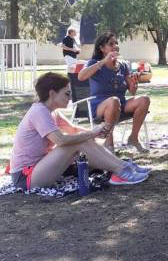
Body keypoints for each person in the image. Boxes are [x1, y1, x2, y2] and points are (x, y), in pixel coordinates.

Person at [9, 72, 149, 191]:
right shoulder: (39, 111)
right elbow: (61, 140)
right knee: (77, 141)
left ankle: (122, 166)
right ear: (52, 93)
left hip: (40, 168)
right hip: (25, 177)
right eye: (67, 93)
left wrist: (96, 133)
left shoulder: (52, 112)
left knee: (82, 138)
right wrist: (92, 133)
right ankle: (121, 171)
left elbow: (74, 129)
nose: (70, 98)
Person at [78, 32, 150, 153]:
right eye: (111, 44)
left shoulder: (123, 65)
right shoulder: (94, 63)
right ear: (102, 48)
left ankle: (133, 138)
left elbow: (132, 92)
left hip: (120, 103)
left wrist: (134, 83)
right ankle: (109, 145)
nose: (115, 46)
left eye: (116, 43)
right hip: (100, 105)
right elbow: (81, 77)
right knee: (113, 101)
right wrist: (103, 62)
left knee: (144, 100)